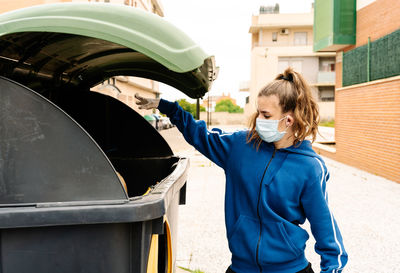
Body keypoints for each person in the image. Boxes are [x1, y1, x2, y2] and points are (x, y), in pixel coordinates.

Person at [135, 67, 348, 273]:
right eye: (258, 112)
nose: (258, 120)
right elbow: (201, 136)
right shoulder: (240, 146)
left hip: (290, 269)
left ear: (288, 120)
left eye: (265, 115)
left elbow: (324, 224)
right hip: (241, 267)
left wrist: (332, 267)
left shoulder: (310, 167)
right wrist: (169, 108)